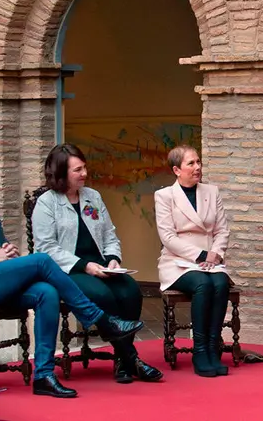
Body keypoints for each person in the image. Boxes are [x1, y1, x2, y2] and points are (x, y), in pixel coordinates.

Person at [0, 150, 144, 398]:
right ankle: (101, 319)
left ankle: (43, 376)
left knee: (46, 292)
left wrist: (6, 252)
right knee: (42, 259)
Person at [31, 144, 163, 384]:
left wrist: (113, 259)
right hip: (68, 269)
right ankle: (130, 359)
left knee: (130, 290)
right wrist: (85, 266)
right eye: (77, 170)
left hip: (100, 265)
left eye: (84, 168)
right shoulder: (46, 203)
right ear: (60, 173)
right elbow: (46, 248)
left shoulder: (93, 196)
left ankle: (123, 361)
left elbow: (110, 234)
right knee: (102, 295)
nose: (84, 173)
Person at [154, 145, 230, 378]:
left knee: (221, 283)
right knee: (203, 284)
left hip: (211, 260)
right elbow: (168, 237)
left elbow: (222, 230)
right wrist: (201, 255)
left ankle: (213, 348)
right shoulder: (164, 196)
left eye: (199, 162)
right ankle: (199, 351)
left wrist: (215, 254)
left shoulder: (211, 191)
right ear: (177, 170)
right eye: (191, 163)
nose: (197, 167)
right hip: (178, 261)